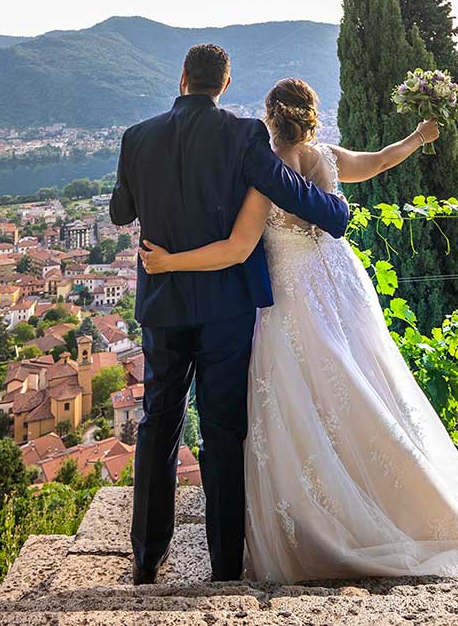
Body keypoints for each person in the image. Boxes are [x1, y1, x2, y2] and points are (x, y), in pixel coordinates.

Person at [140, 76, 458, 594]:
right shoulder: (328, 159)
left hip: (289, 301)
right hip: (339, 288)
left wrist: (170, 262)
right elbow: (381, 159)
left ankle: (327, 511)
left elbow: (236, 249)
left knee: (301, 399)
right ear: (311, 116)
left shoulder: (260, 175)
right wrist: (420, 138)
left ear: (269, 118)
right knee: (365, 381)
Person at [110, 44, 351, 584]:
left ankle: (147, 558)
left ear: (182, 79)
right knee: (223, 431)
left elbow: (121, 211)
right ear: (223, 83)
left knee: (158, 426)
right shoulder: (243, 135)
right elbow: (288, 189)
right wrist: (336, 211)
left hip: (164, 304)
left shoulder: (137, 137)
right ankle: (223, 567)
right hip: (226, 310)